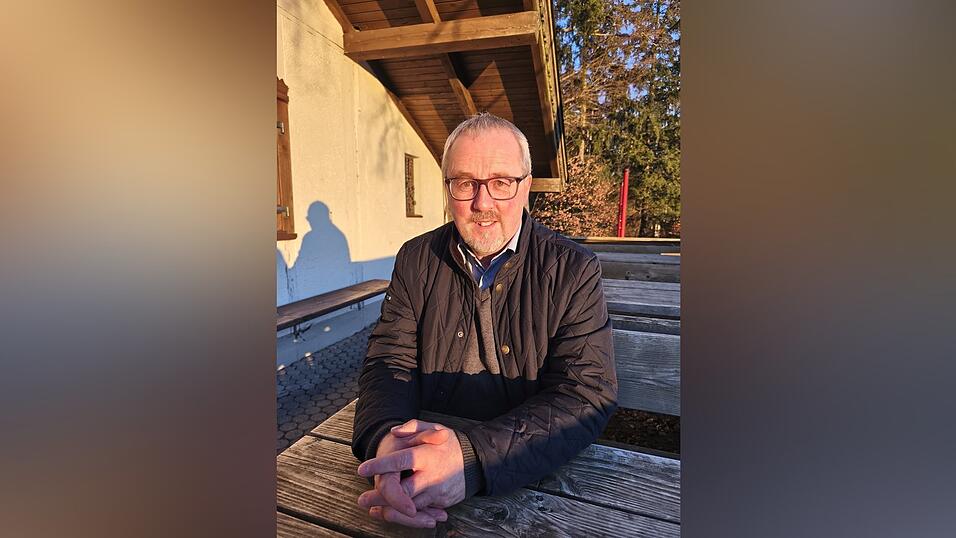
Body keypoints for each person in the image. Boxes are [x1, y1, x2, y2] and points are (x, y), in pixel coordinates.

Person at [351, 113, 618, 529]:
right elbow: (389, 359)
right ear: (447, 189)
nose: (482, 203)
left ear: (526, 186)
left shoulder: (573, 269)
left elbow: (586, 393)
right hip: (419, 461)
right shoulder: (416, 258)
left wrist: (473, 458)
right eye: (465, 183)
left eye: (501, 182)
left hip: (531, 487)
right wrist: (389, 444)